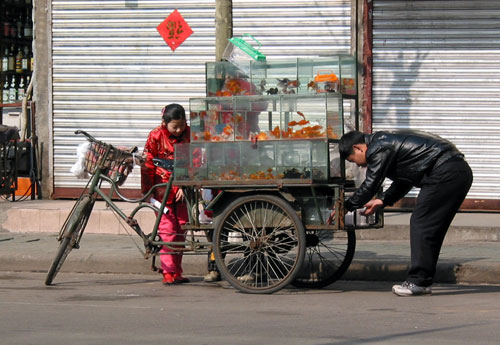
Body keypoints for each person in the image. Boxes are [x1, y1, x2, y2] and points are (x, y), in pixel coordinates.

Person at [338, 130, 473, 296]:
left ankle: (418, 281)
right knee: (429, 228)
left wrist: (345, 207)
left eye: (354, 160)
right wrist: (383, 200)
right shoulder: (385, 142)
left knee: (421, 223)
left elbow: (371, 184)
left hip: (445, 173)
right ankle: (422, 280)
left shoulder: (378, 147)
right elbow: (405, 179)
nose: (359, 165)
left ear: (358, 148)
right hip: (455, 171)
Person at [141, 103, 190, 285]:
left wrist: (185, 185)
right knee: (168, 230)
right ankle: (168, 271)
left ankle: (177, 271)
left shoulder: (190, 135)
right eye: (174, 127)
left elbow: (194, 161)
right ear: (164, 122)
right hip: (162, 191)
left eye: (182, 126)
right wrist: (147, 191)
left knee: (181, 230)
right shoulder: (155, 136)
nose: (179, 130)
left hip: (184, 190)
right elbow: (147, 165)